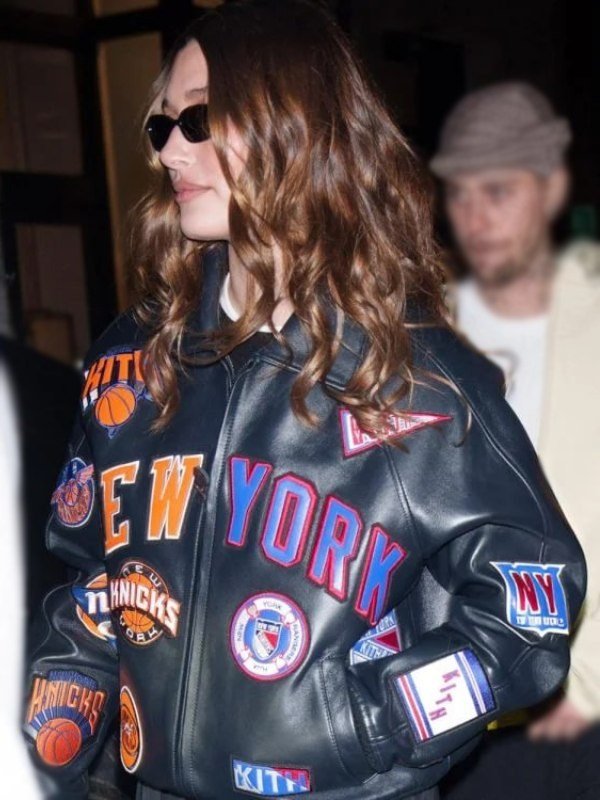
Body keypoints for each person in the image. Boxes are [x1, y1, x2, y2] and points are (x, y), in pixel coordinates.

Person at [22, 5, 586, 800]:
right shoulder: (132, 363)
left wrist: (373, 725)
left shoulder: (414, 377)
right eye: (162, 126)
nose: (170, 150)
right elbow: (93, 590)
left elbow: (531, 605)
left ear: (297, 127)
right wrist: (37, 761)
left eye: (200, 118)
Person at [431, 82, 600, 799]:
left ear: (552, 187)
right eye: (459, 192)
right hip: (471, 710)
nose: (475, 217)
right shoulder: (421, 336)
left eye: (498, 190)